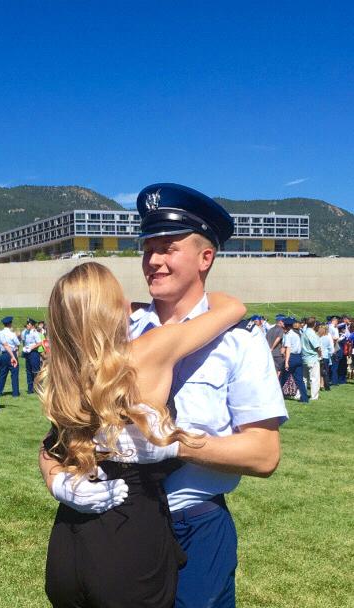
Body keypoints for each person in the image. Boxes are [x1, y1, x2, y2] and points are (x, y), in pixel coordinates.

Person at [40, 183, 288, 608]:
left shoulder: (239, 344)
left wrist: (175, 445)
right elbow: (55, 440)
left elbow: (264, 455)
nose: (152, 260)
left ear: (205, 257)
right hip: (114, 526)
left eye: (168, 247)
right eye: (147, 247)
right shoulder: (117, 329)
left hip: (195, 525)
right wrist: (58, 480)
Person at [39, 262, 246, 608]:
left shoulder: (66, 372)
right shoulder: (151, 349)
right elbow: (233, 308)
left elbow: (50, 448)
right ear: (114, 306)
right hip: (129, 535)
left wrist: (58, 483)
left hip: (69, 541)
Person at [280, 317, 309, 403]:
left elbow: (288, 348)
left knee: (282, 378)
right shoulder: (298, 333)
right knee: (299, 379)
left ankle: (277, 395)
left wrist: (286, 362)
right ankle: (304, 398)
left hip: (291, 357)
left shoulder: (289, 335)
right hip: (299, 357)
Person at [0, 316, 20, 397]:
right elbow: (17, 343)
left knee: (2, 374)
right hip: (12, 353)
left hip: (3, 354)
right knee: (14, 374)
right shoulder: (12, 334)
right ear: (10, 324)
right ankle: (15, 393)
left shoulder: (0, 333)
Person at [301, 317, 321, 401]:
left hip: (304, 357)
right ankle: (314, 396)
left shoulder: (304, 332)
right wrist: (320, 355)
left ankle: (303, 394)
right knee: (314, 378)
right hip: (312, 358)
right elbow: (317, 347)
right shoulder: (311, 333)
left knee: (304, 379)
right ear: (314, 324)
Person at [22, 318, 42, 394]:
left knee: (35, 371)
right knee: (28, 371)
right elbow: (24, 342)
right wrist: (25, 348)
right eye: (27, 324)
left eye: (28, 324)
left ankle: (37, 388)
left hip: (34, 353)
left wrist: (31, 347)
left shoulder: (35, 333)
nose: (27, 325)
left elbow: (39, 343)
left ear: (32, 325)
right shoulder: (26, 332)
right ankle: (30, 389)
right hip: (28, 353)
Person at [317, 324, 333, 391]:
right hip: (325, 356)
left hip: (318, 356)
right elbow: (330, 349)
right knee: (325, 372)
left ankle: (321, 385)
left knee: (319, 372)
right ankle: (326, 386)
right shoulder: (327, 338)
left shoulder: (317, 337)